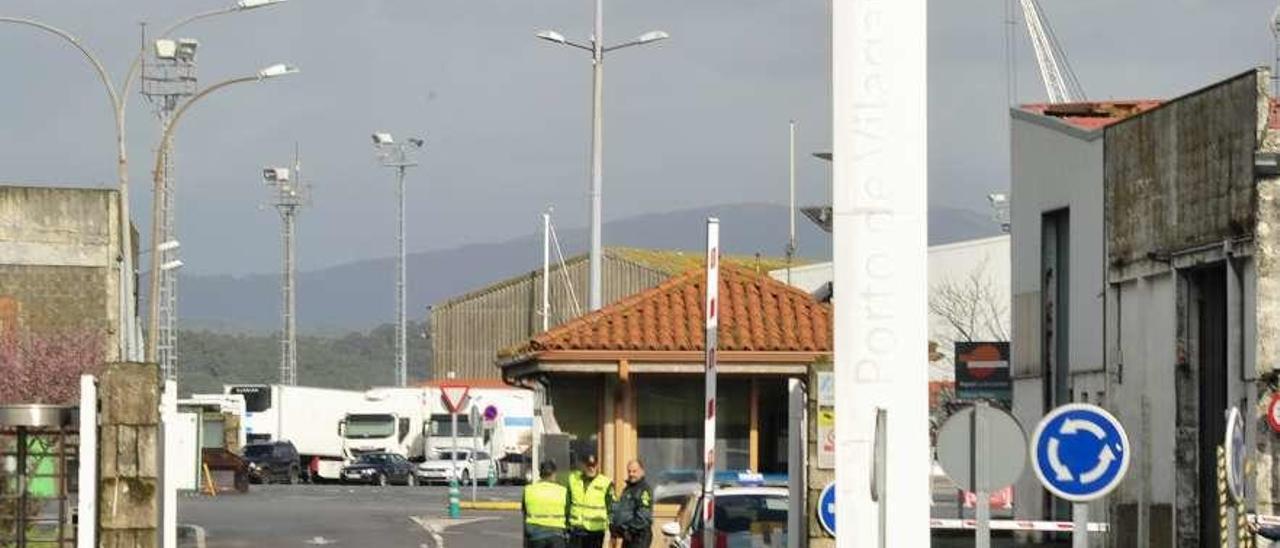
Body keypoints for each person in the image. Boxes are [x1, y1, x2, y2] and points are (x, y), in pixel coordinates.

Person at [567, 454, 613, 548]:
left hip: (595, 531)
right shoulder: (573, 479)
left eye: (594, 465)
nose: (591, 468)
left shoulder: (605, 483)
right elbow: (567, 503)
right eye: (589, 466)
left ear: (597, 465)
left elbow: (611, 507)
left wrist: (612, 530)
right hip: (576, 529)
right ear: (583, 465)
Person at [523, 460, 570, 548]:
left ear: (540, 474)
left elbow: (525, 513)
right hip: (557, 536)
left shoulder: (529, 490)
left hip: (536, 537)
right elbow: (568, 513)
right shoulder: (563, 491)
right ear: (554, 474)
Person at [609, 459, 653, 548]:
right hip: (628, 537)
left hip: (639, 537)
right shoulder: (628, 489)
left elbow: (643, 517)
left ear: (642, 472)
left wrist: (628, 530)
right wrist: (615, 528)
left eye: (634, 471)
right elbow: (622, 510)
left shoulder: (643, 490)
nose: (631, 474)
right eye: (629, 471)